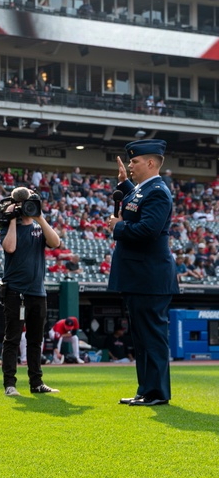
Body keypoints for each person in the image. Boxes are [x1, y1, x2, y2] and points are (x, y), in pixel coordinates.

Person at [108, 140, 179, 406]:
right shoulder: (145, 189)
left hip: (150, 277)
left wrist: (118, 227)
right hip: (140, 276)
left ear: (150, 163)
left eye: (134, 161)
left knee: (153, 337)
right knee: (141, 338)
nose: (130, 164)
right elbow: (137, 203)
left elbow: (148, 229)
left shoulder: (159, 191)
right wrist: (125, 183)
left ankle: (158, 393)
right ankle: (146, 389)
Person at [0, 186, 62, 397]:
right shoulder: (8, 226)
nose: (27, 206)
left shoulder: (38, 227)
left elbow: (55, 242)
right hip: (16, 292)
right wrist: (13, 220)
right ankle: (10, 384)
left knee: (36, 340)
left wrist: (40, 217)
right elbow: (10, 248)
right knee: (13, 338)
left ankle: (37, 382)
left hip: (37, 292)